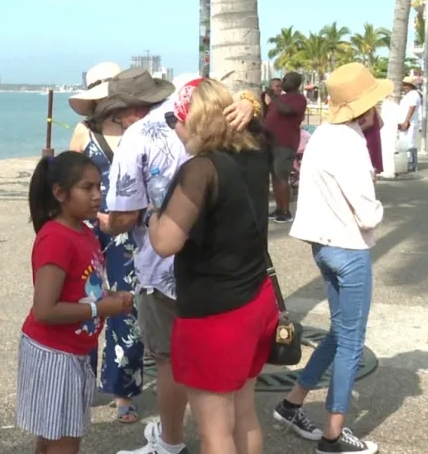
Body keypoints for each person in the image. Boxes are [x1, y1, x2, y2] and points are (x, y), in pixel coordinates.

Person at [98, 70, 256, 454]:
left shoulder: (142, 138)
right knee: (241, 401)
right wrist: (252, 100)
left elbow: (128, 217)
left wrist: (104, 220)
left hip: (169, 274)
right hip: (236, 277)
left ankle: (170, 442)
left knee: (173, 366)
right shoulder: (231, 124)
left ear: (128, 110)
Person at [146, 78, 278, 454]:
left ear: (195, 121)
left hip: (215, 315)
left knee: (215, 432)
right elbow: (261, 123)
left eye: (177, 118)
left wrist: (153, 216)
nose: (174, 126)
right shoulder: (256, 152)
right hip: (256, 298)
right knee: (245, 412)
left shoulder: (201, 170)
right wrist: (250, 104)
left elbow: (166, 242)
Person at [273, 63, 387, 454]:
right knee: (352, 343)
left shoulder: (322, 136)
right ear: (366, 106)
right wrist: (377, 204)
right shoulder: (352, 144)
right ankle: (333, 436)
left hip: (321, 245)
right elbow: (368, 213)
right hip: (350, 248)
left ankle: (292, 403)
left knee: (339, 334)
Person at [17, 151, 134, 454]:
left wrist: (110, 298)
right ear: (60, 193)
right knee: (64, 442)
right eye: (87, 188)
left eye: (99, 187)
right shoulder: (57, 238)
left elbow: (81, 288)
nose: (98, 195)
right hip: (55, 355)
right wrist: (100, 308)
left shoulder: (84, 232)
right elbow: (44, 309)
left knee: (54, 437)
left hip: (73, 353)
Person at [69, 61, 144, 423]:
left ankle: (122, 392)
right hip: (86, 229)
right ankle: (82, 386)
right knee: (86, 305)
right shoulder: (84, 132)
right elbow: (67, 180)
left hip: (128, 230)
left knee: (127, 309)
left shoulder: (138, 129)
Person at [265, 72, 308, 223]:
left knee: (282, 176)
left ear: (295, 82)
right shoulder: (280, 98)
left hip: (285, 143)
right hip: (271, 142)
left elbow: (287, 110)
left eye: (285, 79)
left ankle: (286, 210)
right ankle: (278, 208)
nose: (283, 81)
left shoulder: (299, 99)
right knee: (275, 176)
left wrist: (274, 98)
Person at [397, 77, 421, 173]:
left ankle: (411, 163)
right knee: (404, 142)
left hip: (410, 122)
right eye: (404, 84)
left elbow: (412, 108)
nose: (404, 87)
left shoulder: (414, 95)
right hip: (403, 121)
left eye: (406, 85)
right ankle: (407, 162)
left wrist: (407, 121)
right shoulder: (408, 95)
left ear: (410, 85)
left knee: (410, 142)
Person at [358, 106, 383, 175]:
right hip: (373, 137)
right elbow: (381, 123)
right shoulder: (371, 105)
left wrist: (355, 130)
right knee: (371, 168)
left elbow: (369, 122)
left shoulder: (366, 105)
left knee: (366, 168)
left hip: (367, 138)